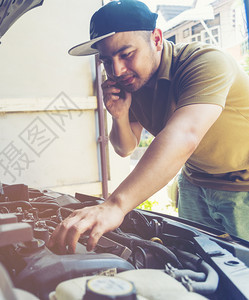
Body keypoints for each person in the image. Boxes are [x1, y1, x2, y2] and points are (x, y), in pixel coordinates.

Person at [48, 0, 249, 254]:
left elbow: (185, 135)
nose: (117, 70)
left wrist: (116, 205)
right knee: (195, 262)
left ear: (156, 39)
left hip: (243, 186)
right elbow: (126, 147)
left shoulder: (205, 63)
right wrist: (119, 115)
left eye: (126, 54)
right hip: (194, 183)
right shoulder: (135, 82)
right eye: (107, 60)